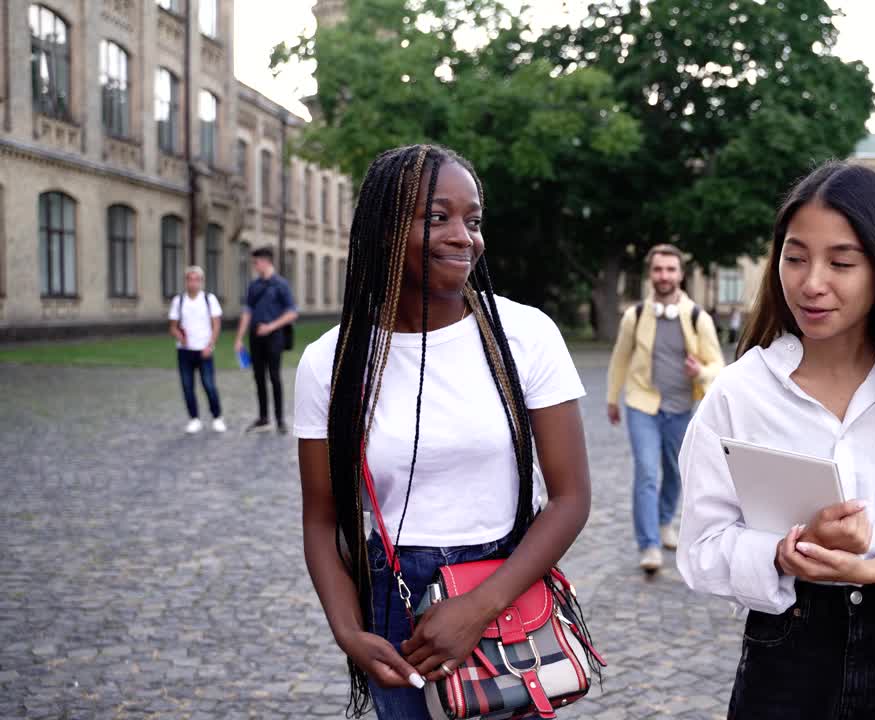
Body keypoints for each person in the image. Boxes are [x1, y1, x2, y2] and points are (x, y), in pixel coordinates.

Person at [677, 162, 875, 719]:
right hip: (787, 661)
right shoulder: (739, 393)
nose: (811, 282)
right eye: (795, 256)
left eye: (842, 262)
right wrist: (785, 553)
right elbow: (701, 548)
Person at [293, 145, 592, 719]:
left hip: (507, 581)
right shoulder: (332, 361)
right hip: (394, 603)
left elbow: (571, 498)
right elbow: (322, 519)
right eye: (437, 217)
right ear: (385, 231)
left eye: (473, 220)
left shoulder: (524, 335)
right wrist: (348, 631)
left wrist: (478, 606)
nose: (464, 237)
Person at [606, 244, 724, 573]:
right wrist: (613, 398)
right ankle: (649, 545)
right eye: (658, 269)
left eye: (670, 269)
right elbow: (620, 359)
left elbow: (718, 364)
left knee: (675, 471)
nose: (664, 276)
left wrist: (699, 372)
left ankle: (663, 523)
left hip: (682, 407)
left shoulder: (698, 317)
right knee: (646, 471)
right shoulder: (636, 315)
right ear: (650, 274)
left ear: (680, 275)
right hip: (641, 404)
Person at [235, 247, 298, 434]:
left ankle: (280, 420)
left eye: (256, 262)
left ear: (266, 261)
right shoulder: (253, 286)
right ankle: (263, 418)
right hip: (255, 337)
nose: (254, 266)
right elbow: (247, 312)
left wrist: (271, 326)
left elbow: (292, 313)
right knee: (258, 377)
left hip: (274, 337)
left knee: (274, 377)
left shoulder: (281, 285)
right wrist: (239, 338)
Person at [167, 265, 226, 434]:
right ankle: (194, 418)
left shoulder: (209, 299)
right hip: (185, 351)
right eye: (190, 279)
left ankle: (217, 416)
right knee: (187, 386)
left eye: (196, 280)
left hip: (204, 349)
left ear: (201, 281)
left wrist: (210, 345)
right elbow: (173, 326)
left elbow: (216, 325)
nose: (193, 283)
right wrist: (179, 336)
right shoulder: (179, 301)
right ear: (186, 282)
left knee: (209, 385)